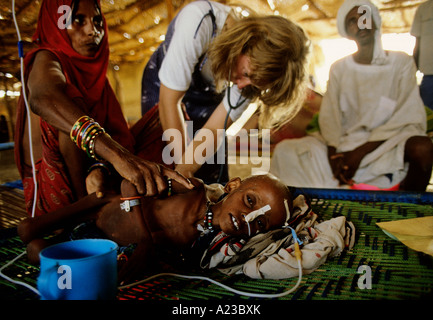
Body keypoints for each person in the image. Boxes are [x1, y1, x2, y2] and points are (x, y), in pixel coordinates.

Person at [14, 0, 192, 217]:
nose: (92, 31)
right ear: (56, 24)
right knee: (67, 108)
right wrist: (119, 158)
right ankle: (89, 216)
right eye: (77, 21)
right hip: (57, 191)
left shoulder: (96, 79)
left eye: (98, 21)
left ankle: (172, 182)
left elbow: (119, 135)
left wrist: (101, 167)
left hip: (94, 168)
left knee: (165, 117)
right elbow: (44, 98)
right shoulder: (45, 58)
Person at [136, 0, 310, 183]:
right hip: (165, 92)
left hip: (208, 100)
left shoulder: (250, 80)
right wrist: (182, 169)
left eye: (255, 83)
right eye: (245, 74)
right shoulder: (199, 20)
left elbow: (213, 129)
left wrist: (188, 169)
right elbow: (169, 102)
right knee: (162, 165)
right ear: (246, 42)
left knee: (209, 172)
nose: (242, 86)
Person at [270, 0, 433, 192]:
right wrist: (333, 153)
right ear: (346, 30)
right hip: (343, 142)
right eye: (352, 20)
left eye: (365, 16)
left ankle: (406, 208)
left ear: (375, 20)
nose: (360, 23)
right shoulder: (339, 68)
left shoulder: (401, 62)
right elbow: (330, 117)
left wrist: (361, 152)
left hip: (388, 142)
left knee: (423, 148)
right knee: (286, 151)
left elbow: (407, 115)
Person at [18, 174, 293, 284]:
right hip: (101, 210)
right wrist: (145, 241)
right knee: (28, 230)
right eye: (249, 201)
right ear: (232, 185)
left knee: (38, 251)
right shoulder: (191, 188)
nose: (247, 218)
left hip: (105, 245)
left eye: (259, 223)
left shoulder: (212, 246)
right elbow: (129, 185)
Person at [411, 0, 433, 111]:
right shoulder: (423, 9)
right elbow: (417, 43)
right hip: (429, 75)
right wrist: (411, 71)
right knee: (427, 114)